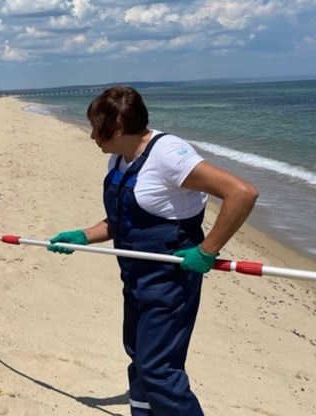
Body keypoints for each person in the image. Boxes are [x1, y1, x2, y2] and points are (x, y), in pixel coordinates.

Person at [48, 85, 258, 416]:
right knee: (139, 357)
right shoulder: (119, 159)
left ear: (116, 129)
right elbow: (125, 222)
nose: (92, 136)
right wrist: (82, 236)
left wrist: (206, 252)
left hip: (172, 279)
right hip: (135, 277)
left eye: (95, 128)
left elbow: (241, 194)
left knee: (159, 370)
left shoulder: (168, 155)